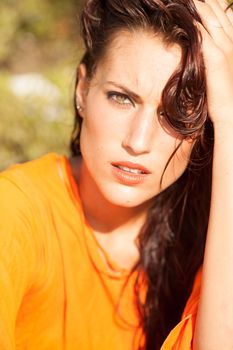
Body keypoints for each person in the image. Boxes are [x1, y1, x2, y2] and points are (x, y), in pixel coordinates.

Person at [0, 0, 233, 349]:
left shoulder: (211, 241)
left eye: (176, 115)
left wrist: (230, 120)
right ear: (83, 90)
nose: (138, 141)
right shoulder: (16, 211)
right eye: (121, 98)